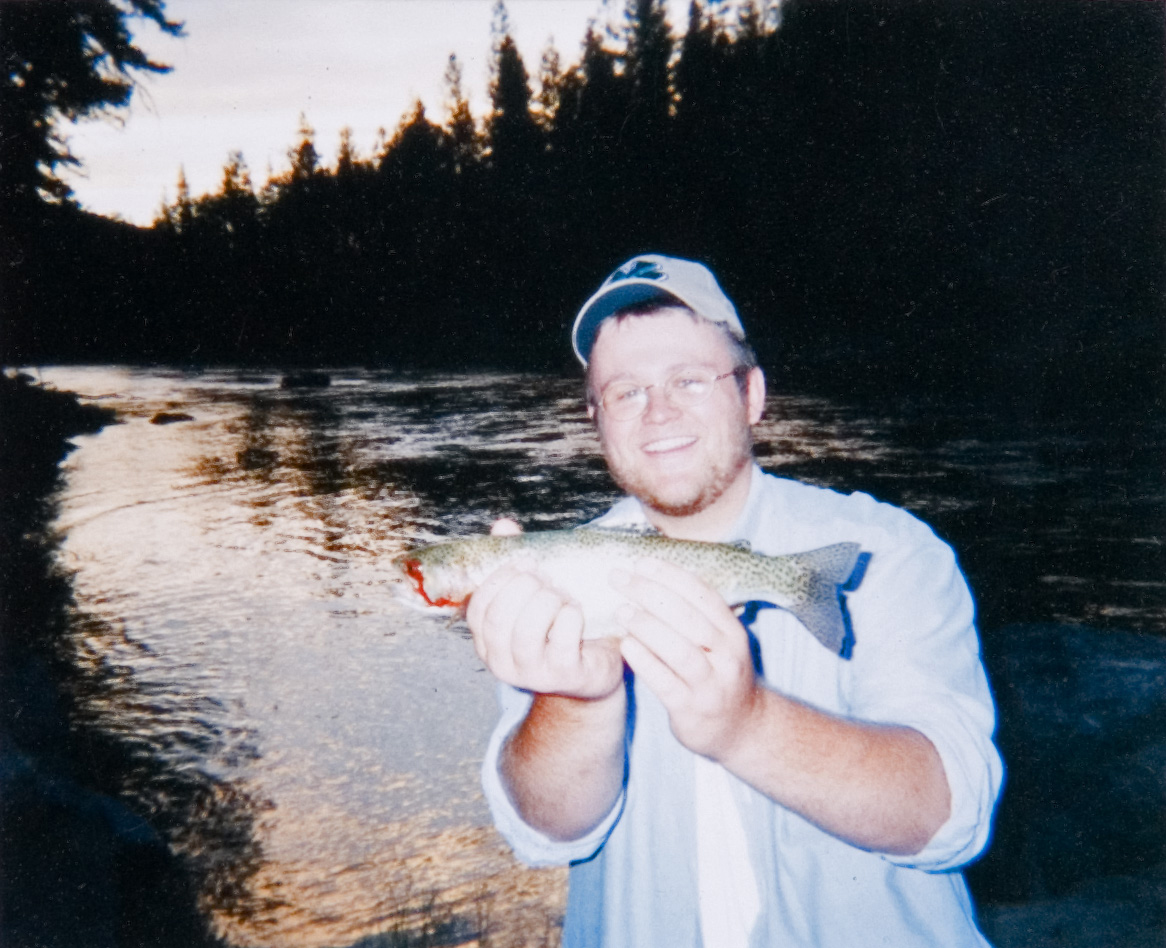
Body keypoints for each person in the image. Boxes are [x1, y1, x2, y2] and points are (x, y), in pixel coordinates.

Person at [469, 254, 1003, 947]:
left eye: (689, 380)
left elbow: (954, 814)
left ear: (752, 395)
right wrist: (576, 702)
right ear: (595, 419)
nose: (658, 412)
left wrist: (746, 725)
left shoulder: (888, 550)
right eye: (625, 391)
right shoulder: (564, 572)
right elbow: (543, 831)